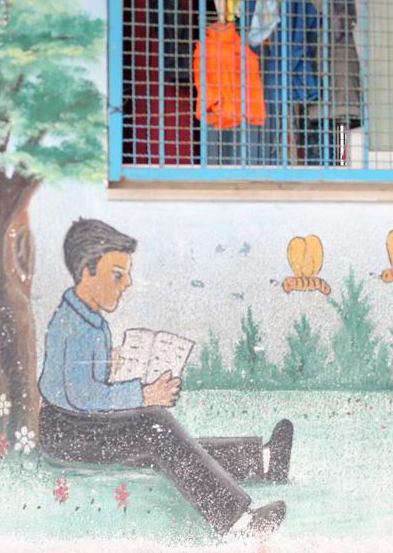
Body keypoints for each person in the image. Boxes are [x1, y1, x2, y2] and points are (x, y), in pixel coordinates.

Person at [37, 218, 294, 539]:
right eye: (117, 274)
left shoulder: (88, 317)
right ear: (87, 271)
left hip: (80, 425)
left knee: (170, 443)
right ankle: (238, 523)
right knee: (156, 425)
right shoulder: (72, 324)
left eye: (127, 274)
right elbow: (81, 396)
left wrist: (112, 367)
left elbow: (79, 385)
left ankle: (261, 461)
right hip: (69, 435)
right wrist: (143, 396)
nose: (127, 283)